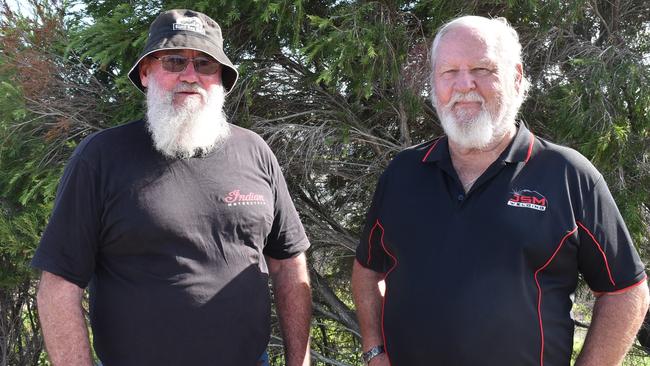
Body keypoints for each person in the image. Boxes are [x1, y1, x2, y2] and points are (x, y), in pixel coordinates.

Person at [351, 15, 649, 366]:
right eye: (449, 72)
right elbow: (367, 268)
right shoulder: (402, 173)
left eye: (482, 69)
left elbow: (625, 291)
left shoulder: (568, 175)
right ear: (434, 83)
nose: (465, 84)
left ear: (517, 77)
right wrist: (374, 350)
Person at [32, 9, 312, 366]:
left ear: (221, 79)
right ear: (147, 72)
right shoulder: (101, 157)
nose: (190, 76)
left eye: (206, 65)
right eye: (175, 61)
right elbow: (58, 285)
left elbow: (289, 264)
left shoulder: (254, 151)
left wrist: (299, 362)